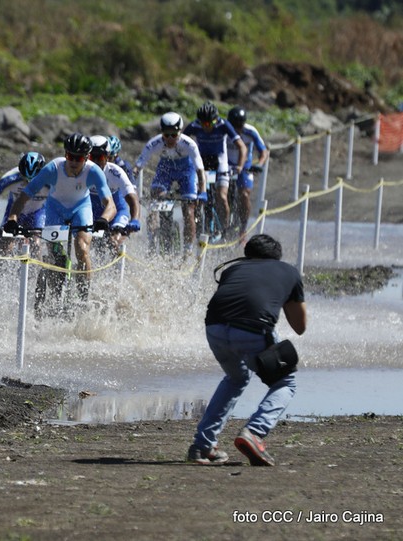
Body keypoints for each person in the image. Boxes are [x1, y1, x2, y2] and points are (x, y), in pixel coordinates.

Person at [187, 234, 306, 466]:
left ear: (247, 255)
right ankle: (255, 432)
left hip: (214, 328)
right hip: (253, 328)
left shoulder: (231, 270)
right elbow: (300, 327)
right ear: (277, 257)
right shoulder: (289, 272)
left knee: (236, 377)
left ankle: (202, 446)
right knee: (285, 383)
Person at [5, 132, 116, 301]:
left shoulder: (93, 171)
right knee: (55, 254)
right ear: (65, 154)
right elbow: (24, 196)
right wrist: (12, 218)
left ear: (87, 158)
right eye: (70, 156)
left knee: (81, 248)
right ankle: (55, 290)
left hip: (81, 208)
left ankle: (83, 297)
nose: (72, 162)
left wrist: (104, 219)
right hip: (55, 209)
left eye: (78, 158)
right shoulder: (53, 168)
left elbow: (110, 204)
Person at [134, 112, 207, 254]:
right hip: (165, 169)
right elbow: (138, 166)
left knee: (189, 209)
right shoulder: (154, 143)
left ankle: (188, 248)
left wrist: (203, 190)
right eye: (166, 135)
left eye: (174, 135)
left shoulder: (189, 144)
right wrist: (132, 185)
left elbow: (200, 170)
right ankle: (152, 239)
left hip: (186, 171)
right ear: (161, 133)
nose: (170, 138)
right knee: (155, 198)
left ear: (180, 132)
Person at [184, 101, 247, 239]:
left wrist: (240, 166)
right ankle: (198, 225)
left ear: (215, 120)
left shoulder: (223, 124)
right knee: (196, 195)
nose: (207, 127)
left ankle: (224, 229)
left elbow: (242, 146)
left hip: (220, 161)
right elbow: (180, 143)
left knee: (222, 196)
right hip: (202, 162)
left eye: (210, 124)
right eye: (204, 124)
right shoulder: (195, 125)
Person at [0, 151, 47, 259]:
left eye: (33, 181)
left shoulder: (49, 181)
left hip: (37, 212)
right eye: (25, 179)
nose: (29, 184)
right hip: (14, 213)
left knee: (35, 245)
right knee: (6, 248)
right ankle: (4, 272)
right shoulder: (11, 178)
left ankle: (35, 272)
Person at [88, 135, 141, 256]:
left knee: (113, 241)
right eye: (92, 157)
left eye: (100, 157)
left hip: (117, 211)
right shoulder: (81, 171)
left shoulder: (116, 172)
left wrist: (135, 219)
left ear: (107, 157)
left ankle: (115, 273)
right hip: (92, 211)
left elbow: (132, 198)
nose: (95, 162)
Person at [227, 106, 269, 239]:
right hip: (226, 165)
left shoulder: (250, 131)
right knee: (221, 195)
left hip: (245, 167)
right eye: (234, 125)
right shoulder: (224, 130)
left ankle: (243, 229)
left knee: (244, 194)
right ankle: (222, 225)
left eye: (240, 125)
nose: (238, 128)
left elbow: (263, 151)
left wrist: (260, 164)